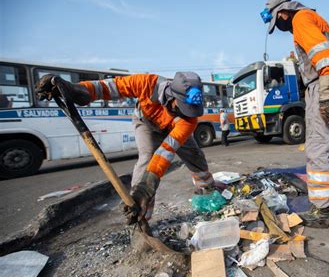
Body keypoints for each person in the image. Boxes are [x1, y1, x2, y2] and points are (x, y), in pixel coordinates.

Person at [35, 72, 215, 226]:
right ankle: (140, 214)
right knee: (147, 158)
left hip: (173, 129)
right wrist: (75, 90)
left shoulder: (188, 120)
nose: (187, 112)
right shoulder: (148, 83)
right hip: (146, 124)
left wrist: (148, 186)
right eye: (183, 107)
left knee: (195, 155)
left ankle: (207, 192)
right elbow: (108, 88)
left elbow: (165, 153)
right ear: (173, 95)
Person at [261, 0, 329, 228]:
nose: (280, 27)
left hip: (323, 83)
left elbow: (323, 57)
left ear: (282, 13)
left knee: (317, 143)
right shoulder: (317, 19)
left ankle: (324, 209)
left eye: (277, 21)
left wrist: (325, 93)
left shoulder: (300, 19)